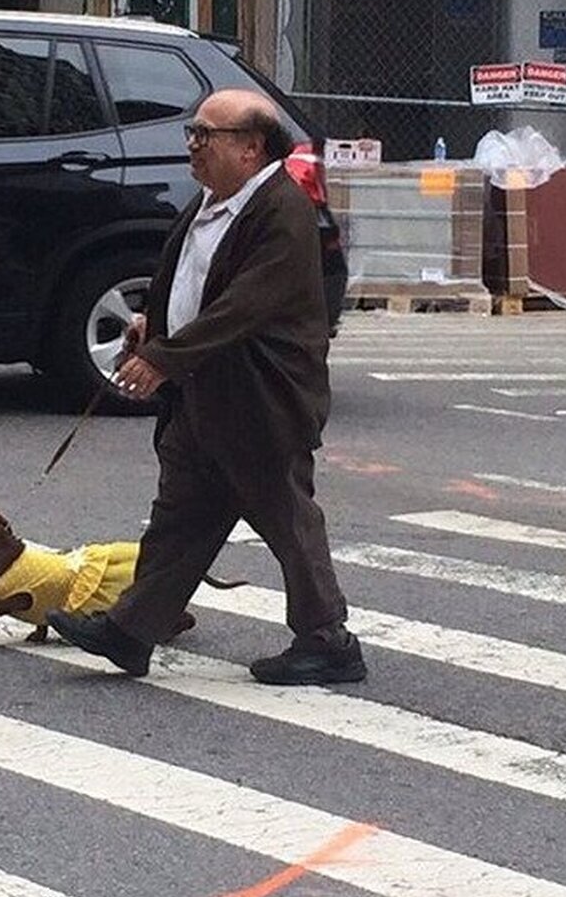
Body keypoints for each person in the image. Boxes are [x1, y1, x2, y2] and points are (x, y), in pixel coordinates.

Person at [47, 88, 365, 686]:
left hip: (260, 398)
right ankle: (132, 630)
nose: (192, 146)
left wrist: (166, 357)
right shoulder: (212, 202)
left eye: (204, 135)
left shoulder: (280, 211)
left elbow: (244, 306)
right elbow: (193, 281)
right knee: (182, 515)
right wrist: (154, 324)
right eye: (191, 133)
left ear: (250, 148)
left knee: (285, 516)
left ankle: (329, 640)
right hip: (207, 390)